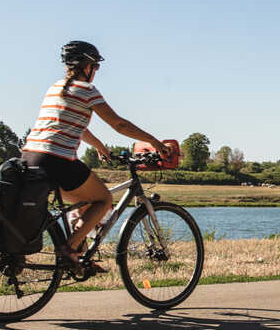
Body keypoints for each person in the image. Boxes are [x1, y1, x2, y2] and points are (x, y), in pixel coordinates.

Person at [21, 40, 170, 274]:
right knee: (103, 200)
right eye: (96, 66)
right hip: (57, 161)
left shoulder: (56, 88)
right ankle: (69, 250)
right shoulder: (87, 90)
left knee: (85, 202)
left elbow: (74, 126)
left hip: (29, 159)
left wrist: (100, 146)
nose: (96, 71)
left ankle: (79, 258)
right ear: (87, 66)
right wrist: (153, 141)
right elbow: (119, 124)